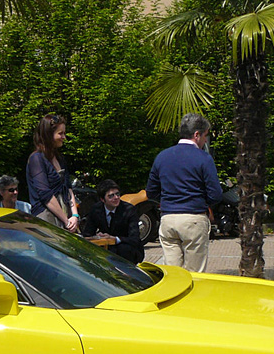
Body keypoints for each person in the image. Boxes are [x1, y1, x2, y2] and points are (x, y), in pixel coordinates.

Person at [146, 113, 222, 272]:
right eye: (205, 136)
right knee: (194, 274)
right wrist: (200, 202)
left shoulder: (162, 157)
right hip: (193, 218)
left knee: (173, 273)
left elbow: (151, 192)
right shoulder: (204, 158)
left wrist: (166, 201)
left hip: (168, 218)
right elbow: (215, 194)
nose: (205, 141)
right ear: (197, 135)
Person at [26, 114, 79, 232]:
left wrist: (74, 216)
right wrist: (66, 220)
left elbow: (68, 187)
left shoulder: (59, 158)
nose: (64, 137)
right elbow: (45, 195)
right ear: (48, 135)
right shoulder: (37, 159)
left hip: (66, 215)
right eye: (60, 133)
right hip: (47, 218)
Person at [80, 178, 143, 264]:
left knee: (122, 249)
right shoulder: (96, 209)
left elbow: (134, 239)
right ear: (102, 199)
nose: (116, 198)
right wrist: (97, 236)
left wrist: (115, 239)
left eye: (117, 194)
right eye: (111, 196)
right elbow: (87, 233)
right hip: (107, 248)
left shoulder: (129, 209)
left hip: (128, 250)